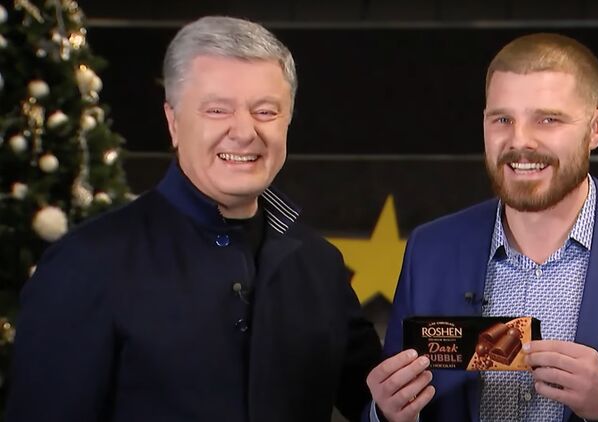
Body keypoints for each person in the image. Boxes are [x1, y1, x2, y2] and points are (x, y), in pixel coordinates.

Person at [7, 16, 381, 421]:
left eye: (265, 111)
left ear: (287, 120)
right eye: (217, 110)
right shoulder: (86, 263)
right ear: (173, 122)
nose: (244, 132)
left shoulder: (320, 264)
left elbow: (376, 405)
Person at [366, 33, 598, 422]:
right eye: (502, 119)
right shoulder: (430, 249)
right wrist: (385, 414)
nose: (520, 141)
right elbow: (389, 406)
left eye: (547, 119)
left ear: (596, 128)